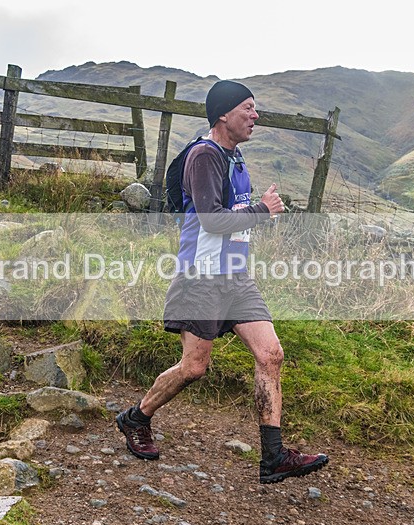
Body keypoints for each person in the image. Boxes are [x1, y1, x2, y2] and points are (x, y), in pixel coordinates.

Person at [117, 80, 328, 484]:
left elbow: (233, 213)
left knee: (271, 356)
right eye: (248, 108)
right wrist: (262, 210)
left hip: (236, 278)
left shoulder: (236, 159)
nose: (255, 115)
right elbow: (213, 220)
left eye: (255, 108)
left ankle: (274, 458)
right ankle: (135, 418)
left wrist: (255, 207)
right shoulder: (203, 156)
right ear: (223, 115)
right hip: (202, 278)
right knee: (194, 367)